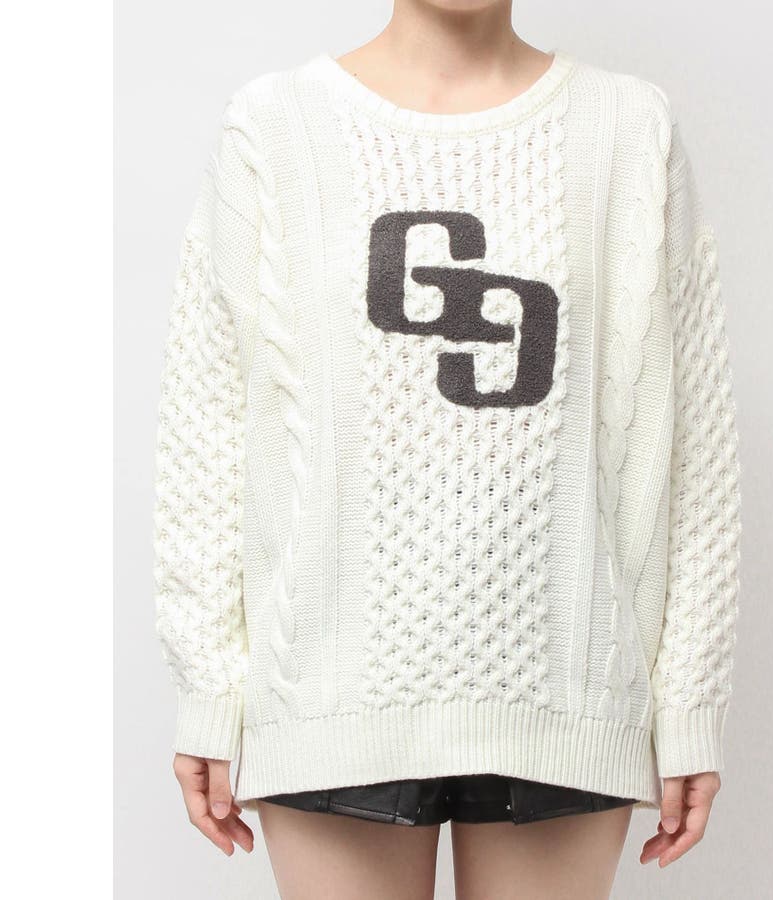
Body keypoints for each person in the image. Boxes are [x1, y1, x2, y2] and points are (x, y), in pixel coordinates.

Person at [151, 2, 742, 897]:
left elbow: (692, 447)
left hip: (567, 697)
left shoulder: (631, 129)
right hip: (328, 695)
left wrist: (691, 701)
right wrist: (209, 687)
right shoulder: (274, 128)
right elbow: (208, 426)